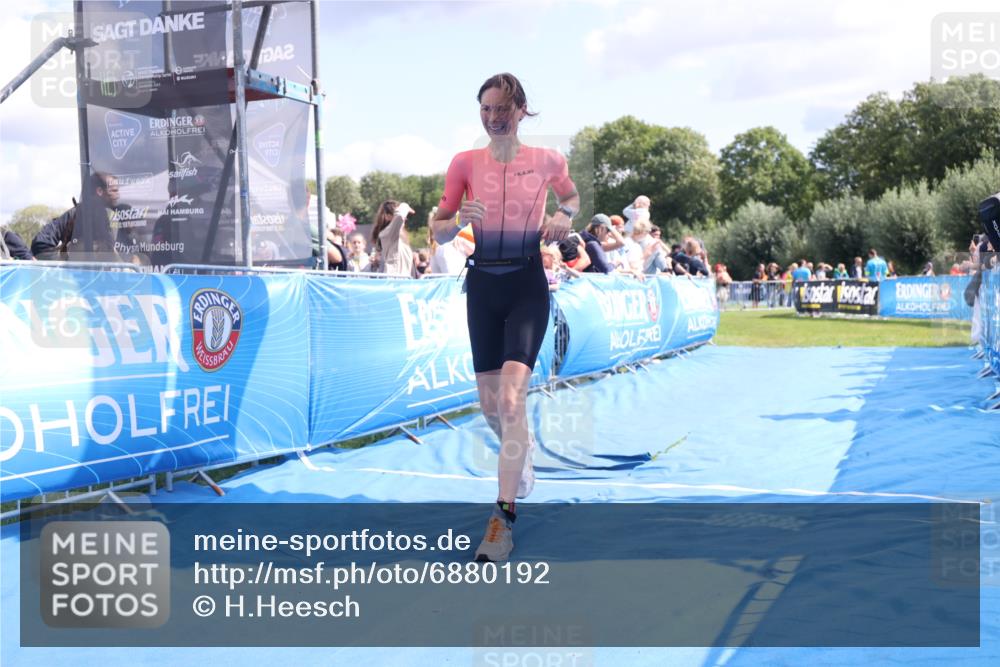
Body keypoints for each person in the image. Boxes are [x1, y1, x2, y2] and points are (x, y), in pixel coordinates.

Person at [428, 73, 580, 562]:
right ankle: (522, 450)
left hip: (527, 286)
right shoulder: (464, 163)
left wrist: (565, 216)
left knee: (511, 400)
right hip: (483, 288)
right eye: (486, 109)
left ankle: (502, 519)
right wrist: (456, 222)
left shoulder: (548, 160)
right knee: (491, 407)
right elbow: (438, 228)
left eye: (502, 109)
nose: (493, 118)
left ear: (520, 111)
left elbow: (570, 197)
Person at [371, 200, 416, 277]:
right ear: (387, 216)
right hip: (394, 280)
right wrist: (405, 206)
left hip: (402, 279)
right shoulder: (388, 233)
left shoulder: (399, 236)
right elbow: (399, 216)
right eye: (395, 213)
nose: (405, 218)